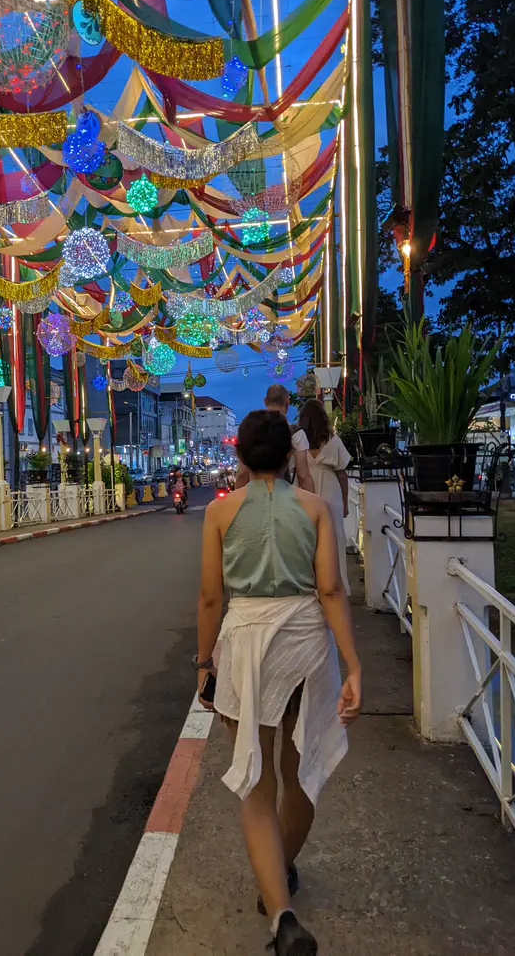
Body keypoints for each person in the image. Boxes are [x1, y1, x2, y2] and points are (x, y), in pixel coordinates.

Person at [195, 410, 361, 956]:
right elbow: (332, 591)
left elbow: (211, 599)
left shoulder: (220, 515)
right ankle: (280, 873)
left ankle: (281, 913)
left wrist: (204, 663)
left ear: (239, 456)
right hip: (307, 647)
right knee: (302, 771)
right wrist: (353, 664)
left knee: (257, 787)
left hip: (245, 649)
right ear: (290, 457)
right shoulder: (313, 509)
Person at [297, 399, 352, 595]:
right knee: (334, 536)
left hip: (303, 490)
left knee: (306, 538)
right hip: (330, 489)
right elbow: (343, 473)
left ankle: (309, 585)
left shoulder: (298, 441)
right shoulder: (333, 441)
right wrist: (345, 503)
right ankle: (336, 584)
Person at [235, 384, 314, 492]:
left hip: (256, 497)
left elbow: (242, 474)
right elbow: (303, 475)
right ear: (287, 402)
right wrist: (311, 502)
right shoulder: (297, 433)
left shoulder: (251, 430)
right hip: (288, 497)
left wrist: (236, 500)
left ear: (265, 401)